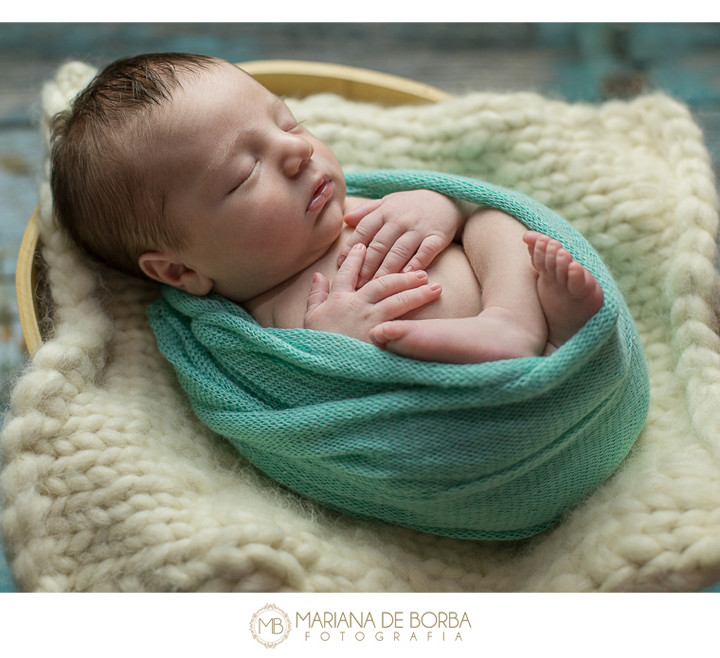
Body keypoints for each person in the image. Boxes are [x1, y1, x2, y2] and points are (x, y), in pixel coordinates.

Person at [51, 53, 603, 364]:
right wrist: (331, 344)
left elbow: (458, 206)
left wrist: (436, 206)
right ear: (180, 270)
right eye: (245, 174)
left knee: (491, 221)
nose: (296, 151)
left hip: (504, 321)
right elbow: (289, 404)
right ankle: (540, 349)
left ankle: (521, 321)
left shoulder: (348, 209)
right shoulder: (250, 330)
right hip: (457, 409)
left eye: (287, 123)